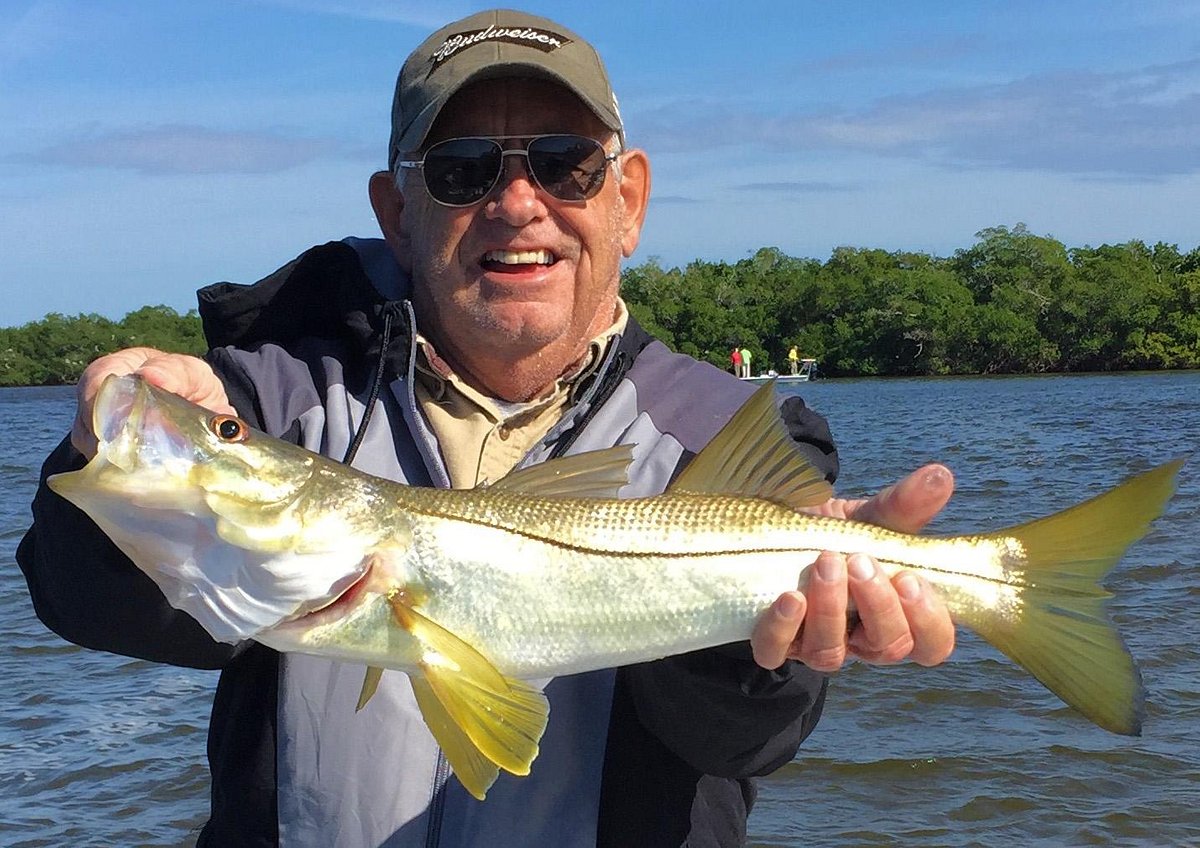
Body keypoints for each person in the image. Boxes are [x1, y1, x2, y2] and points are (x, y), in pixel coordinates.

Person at [17, 9, 955, 848]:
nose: (516, 204)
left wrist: (776, 647)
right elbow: (89, 601)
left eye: (565, 164)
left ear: (628, 199)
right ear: (396, 213)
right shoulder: (274, 400)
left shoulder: (730, 434)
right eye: (463, 171)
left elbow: (741, 740)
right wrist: (112, 462)